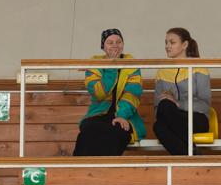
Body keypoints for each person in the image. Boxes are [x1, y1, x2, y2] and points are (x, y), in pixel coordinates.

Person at [73, 29, 146, 156]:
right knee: (89, 130)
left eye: (119, 42)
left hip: (126, 115)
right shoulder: (94, 64)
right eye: (110, 43)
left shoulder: (132, 64)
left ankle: (106, 167)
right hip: (97, 114)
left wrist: (121, 116)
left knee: (117, 129)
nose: (115, 46)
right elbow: (98, 93)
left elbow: (132, 94)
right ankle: (85, 167)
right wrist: (112, 66)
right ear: (103, 47)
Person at [153, 28, 211, 156]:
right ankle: (193, 155)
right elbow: (158, 110)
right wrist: (170, 104)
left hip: (197, 118)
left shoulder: (199, 67)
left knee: (159, 127)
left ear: (184, 44)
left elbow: (205, 105)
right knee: (160, 121)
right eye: (166, 42)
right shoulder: (162, 71)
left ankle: (190, 157)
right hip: (172, 117)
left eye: (172, 42)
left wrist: (177, 103)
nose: (167, 46)